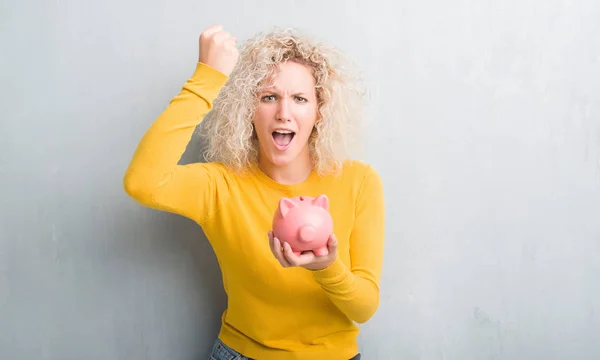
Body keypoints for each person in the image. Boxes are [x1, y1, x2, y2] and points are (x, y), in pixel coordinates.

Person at [123, 24, 385, 360]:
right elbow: (142, 183)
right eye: (269, 97)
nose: (284, 113)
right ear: (248, 110)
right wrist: (207, 78)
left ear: (320, 112)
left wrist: (327, 267)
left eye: (300, 99)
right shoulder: (221, 185)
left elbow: (364, 308)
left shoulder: (359, 181)